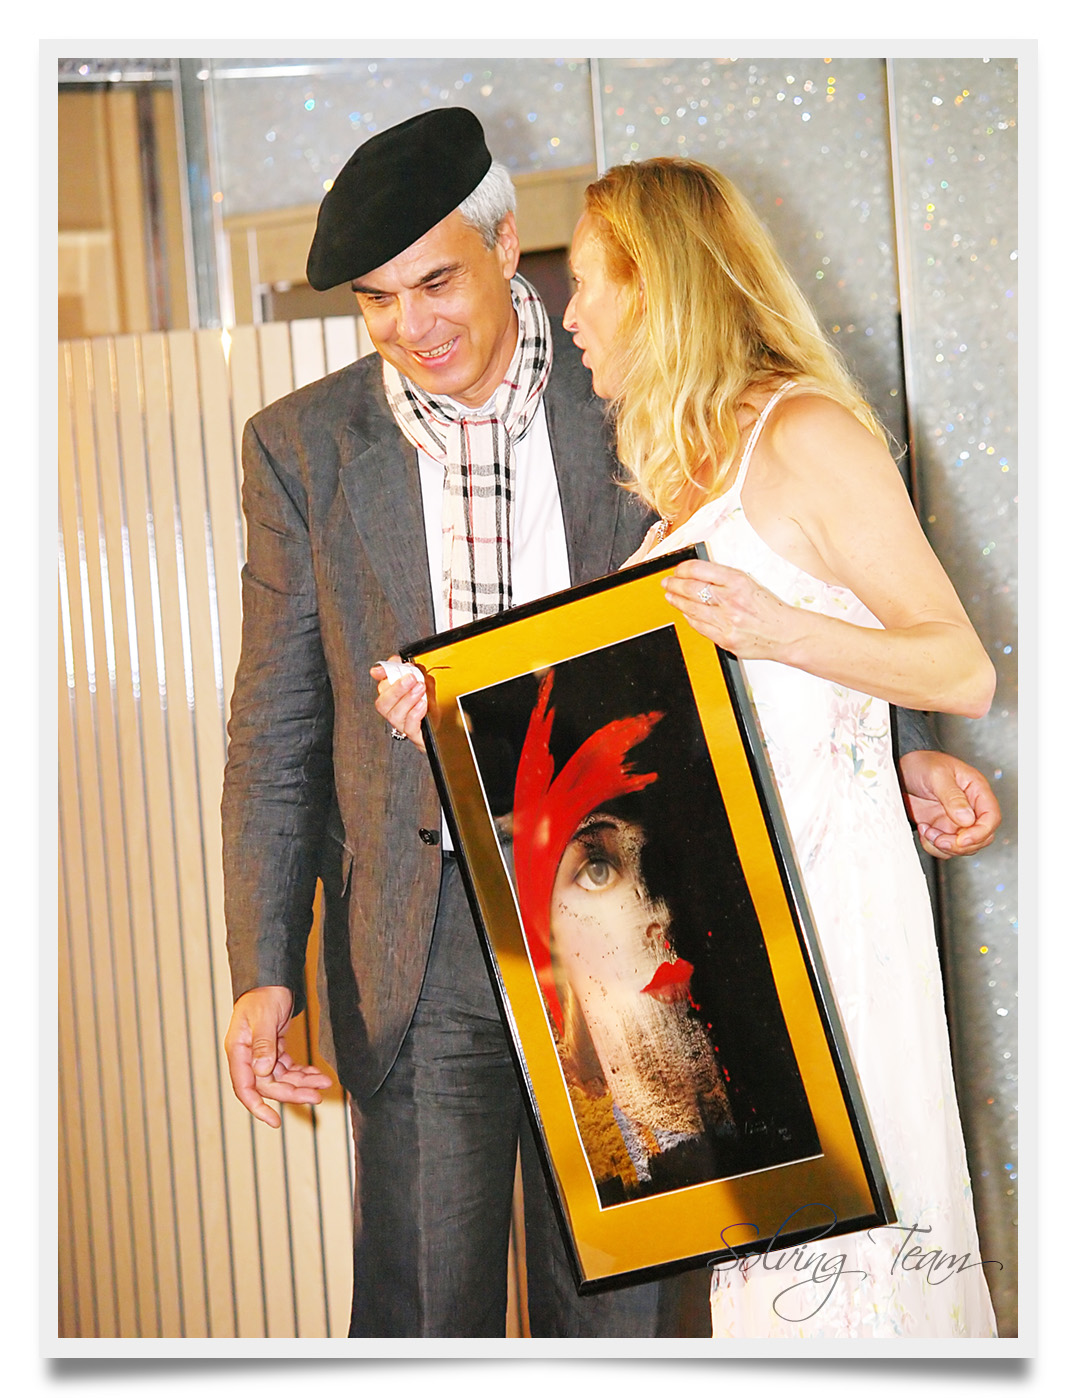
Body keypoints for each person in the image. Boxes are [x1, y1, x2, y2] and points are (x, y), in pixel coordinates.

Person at [220, 107, 1000, 1339]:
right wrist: (264, 968)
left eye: (435, 283)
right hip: (421, 951)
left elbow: (803, 587)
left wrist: (900, 755)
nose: (411, 325)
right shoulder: (302, 447)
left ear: (503, 245)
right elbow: (273, 731)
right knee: (422, 1320)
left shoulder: (649, 400)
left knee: (631, 1324)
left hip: (637, 928)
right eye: (376, 300)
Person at [560, 154, 999, 1337]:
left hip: (833, 928)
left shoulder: (803, 432)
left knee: (854, 1275)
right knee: (778, 1289)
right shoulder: (691, 482)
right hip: (736, 932)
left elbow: (959, 666)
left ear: (653, 284)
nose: (572, 313)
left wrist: (781, 631)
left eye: (587, 280)